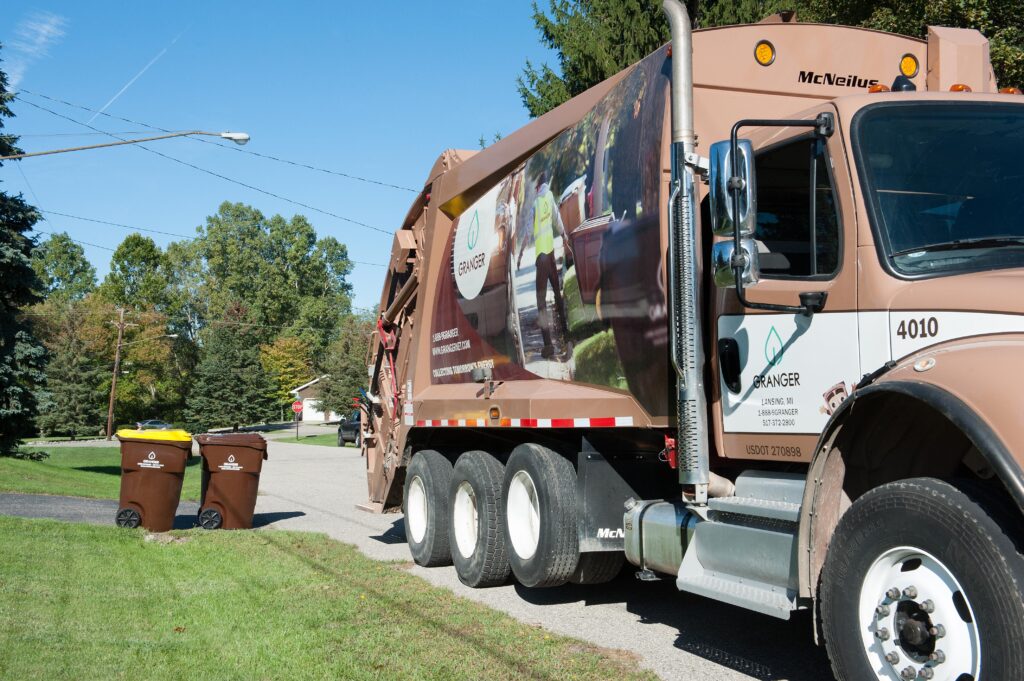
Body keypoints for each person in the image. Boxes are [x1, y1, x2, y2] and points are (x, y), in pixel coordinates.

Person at [518, 172, 570, 359]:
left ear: (539, 186)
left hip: (541, 258)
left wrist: (521, 252)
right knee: (557, 295)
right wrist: (564, 236)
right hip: (550, 254)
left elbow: (527, 233)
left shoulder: (536, 204)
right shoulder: (550, 199)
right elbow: (557, 219)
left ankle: (548, 346)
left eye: (536, 187)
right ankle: (566, 334)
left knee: (541, 302)